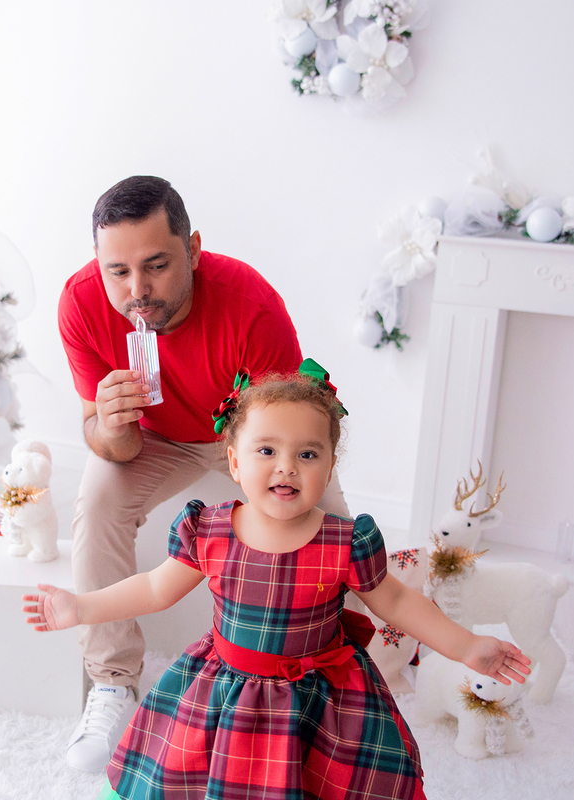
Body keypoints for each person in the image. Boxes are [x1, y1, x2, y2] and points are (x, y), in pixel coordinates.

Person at [23, 368, 531, 800]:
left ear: (330, 467)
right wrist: (80, 607)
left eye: (308, 455)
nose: (286, 465)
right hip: (225, 692)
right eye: (267, 449)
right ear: (235, 461)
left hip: (317, 700)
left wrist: (468, 647)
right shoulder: (211, 530)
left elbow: (397, 601)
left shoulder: (344, 542)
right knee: (193, 774)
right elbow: (155, 589)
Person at [57, 176, 352, 771]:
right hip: (153, 439)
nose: (136, 291)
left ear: (192, 248)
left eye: (156, 265)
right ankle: (113, 682)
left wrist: (264, 484)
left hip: (245, 434)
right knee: (97, 504)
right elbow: (99, 436)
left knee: (332, 528)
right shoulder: (83, 303)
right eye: (117, 271)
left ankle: (338, 680)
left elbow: (286, 431)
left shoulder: (248, 303)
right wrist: (111, 428)